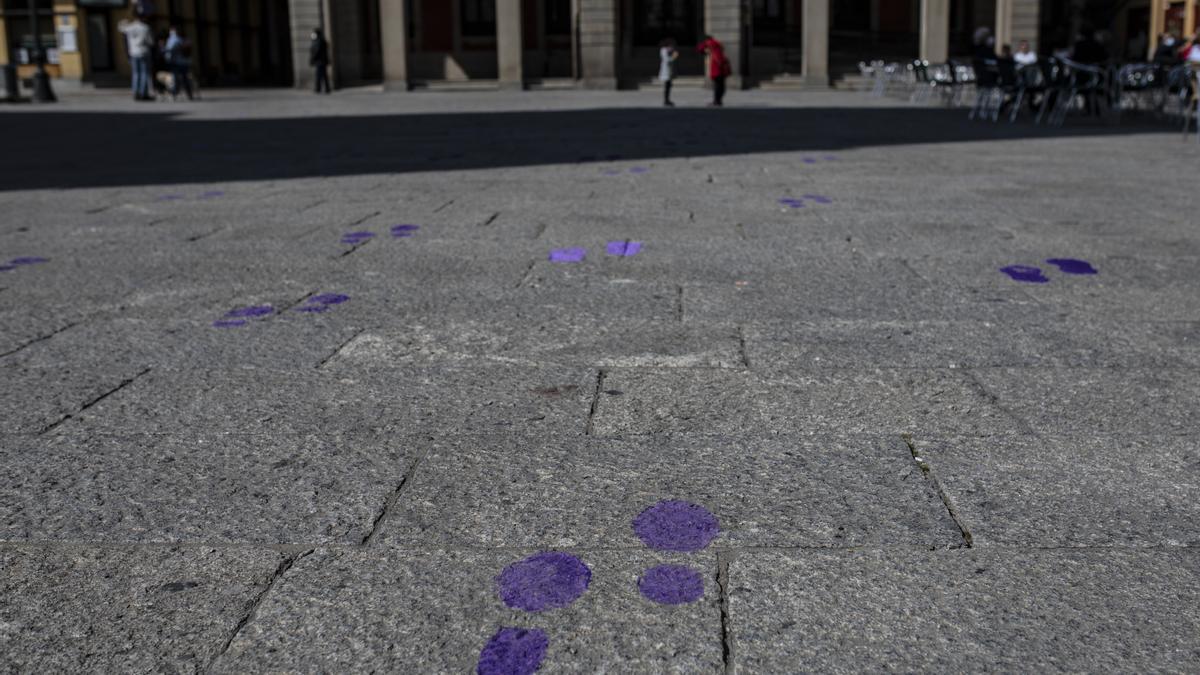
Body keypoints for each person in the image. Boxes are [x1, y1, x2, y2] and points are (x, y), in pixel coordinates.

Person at [118, 14, 154, 101]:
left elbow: (121, 29)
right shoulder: (145, 27)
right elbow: (150, 41)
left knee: (136, 73)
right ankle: (143, 93)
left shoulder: (130, 27)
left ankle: (135, 92)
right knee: (144, 73)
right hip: (143, 52)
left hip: (133, 53)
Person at [697, 35, 730, 106]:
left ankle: (716, 101)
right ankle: (719, 100)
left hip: (716, 68)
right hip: (722, 67)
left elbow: (700, 48)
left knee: (717, 85)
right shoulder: (718, 44)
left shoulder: (710, 43)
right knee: (721, 85)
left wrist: (705, 51)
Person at [165, 26, 194, 100]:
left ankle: (174, 93)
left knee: (176, 78)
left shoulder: (173, 39)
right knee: (185, 78)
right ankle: (189, 94)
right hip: (185, 62)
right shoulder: (183, 39)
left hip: (176, 62)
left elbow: (170, 49)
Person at [310, 28, 331, 94]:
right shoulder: (321, 41)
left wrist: (312, 59)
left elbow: (316, 52)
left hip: (320, 61)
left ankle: (318, 88)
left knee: (319, 75)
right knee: (323, 75)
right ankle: (326, 88)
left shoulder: (318, 41)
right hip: (322, 61)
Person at [658, 38, 678, 107]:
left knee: (669, 86)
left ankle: (667, 99)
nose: (672, 47)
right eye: (671, 45)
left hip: (669, 71)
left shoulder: (667, 50)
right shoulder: (663, 50)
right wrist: (673, 57)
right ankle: (666, 100)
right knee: (667, 86)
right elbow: (667, 60)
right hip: (666, 71)